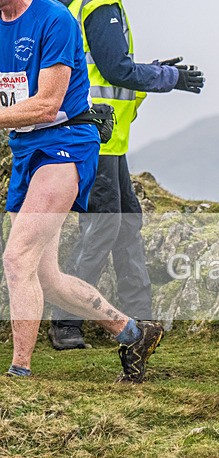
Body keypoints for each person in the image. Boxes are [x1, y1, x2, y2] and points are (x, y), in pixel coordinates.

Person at [1, 0, 163, 382]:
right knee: (45, 276)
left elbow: (46, 105)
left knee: (16, 257)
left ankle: (19, 370)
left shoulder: (54, 18)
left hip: (66, 140)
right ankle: (134, 333)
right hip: (25, 147)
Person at [48, 0, 204, 350]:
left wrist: (153, 70)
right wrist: (170, 77)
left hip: (106, 140)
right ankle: (65, 321)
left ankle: (140, 317)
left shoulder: (81, 5)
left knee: (127, 222)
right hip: (95, 138)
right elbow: (116, 69)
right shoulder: (99, 7)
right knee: (101, 228)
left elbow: (107, 69)